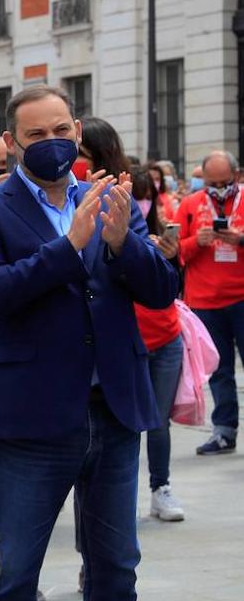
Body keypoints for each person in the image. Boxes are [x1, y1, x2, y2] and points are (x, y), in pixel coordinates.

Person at [0, 85, 181, 601]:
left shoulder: (110, 198)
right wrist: (69, 245)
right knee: (15, 571)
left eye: (61, 127)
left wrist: (121, 243)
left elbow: (161, 290)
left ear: (77, 131)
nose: (52, 140)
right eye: (35, 133)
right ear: (11, 144)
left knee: (115, 566)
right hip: (29, 420)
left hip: (111, 409)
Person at [174, 149, 244, 456]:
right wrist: (194, 242)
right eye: (212, 183)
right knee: (219, 370)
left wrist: (240, 240)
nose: (218, 188)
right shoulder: (189, 205)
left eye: (224, 182)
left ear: (236, 176)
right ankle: (224, 431)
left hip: (241, 296)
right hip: (204, 301)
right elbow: (172, 250)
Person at [128, 166, 186, 521]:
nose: (143, 205)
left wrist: (168, 255)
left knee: (159, 422)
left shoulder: (161, 235)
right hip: (127, 340)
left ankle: (160, 488)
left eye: (147, 197)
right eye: (138, 197)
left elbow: (173, 286)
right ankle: (117, 496)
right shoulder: (109, 236)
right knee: (123, 424)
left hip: (165, 337)